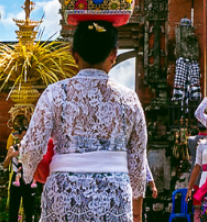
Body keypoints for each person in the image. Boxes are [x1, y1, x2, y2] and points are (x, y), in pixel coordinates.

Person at [18, 19, 150, 222]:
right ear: (113, 55)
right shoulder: (129, 98)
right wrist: (137, 214)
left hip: (63, 194)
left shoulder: (55, 93)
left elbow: (31, 148)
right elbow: (137, 164)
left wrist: (29, 175)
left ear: (74, 55)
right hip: (113, 197)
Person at [6, 139, 43, 222]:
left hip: (28, 178)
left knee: (29, 208)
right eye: (23, 136)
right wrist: (10, 155)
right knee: (13, 207)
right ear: (19, 137)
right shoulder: (13, 148)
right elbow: (5, 165)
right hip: (17, 177)